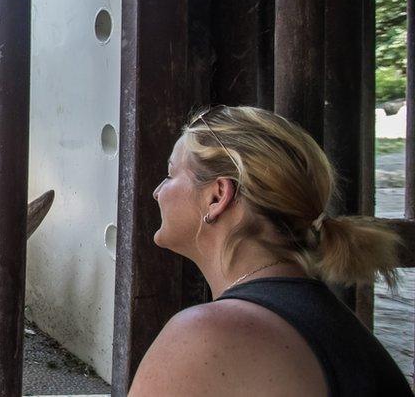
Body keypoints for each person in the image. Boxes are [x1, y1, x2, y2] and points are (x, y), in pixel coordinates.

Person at [129, 106, 413, 397]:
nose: (157, 191)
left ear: (217, 196)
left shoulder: (205, 334)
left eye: (170, 174)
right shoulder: (336, 325)